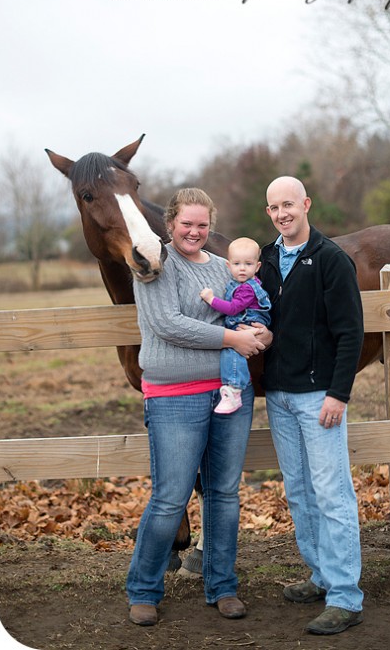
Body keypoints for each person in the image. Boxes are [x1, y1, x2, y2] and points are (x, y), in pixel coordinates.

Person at [126, 188, 271, 626]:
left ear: (211, 226)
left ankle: (222, 585)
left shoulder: (229, 269)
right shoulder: (155, 266)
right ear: (170, 224)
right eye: (186, 223)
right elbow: (167, 325)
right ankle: (144, 589)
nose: (194, 231)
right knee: (170, 498)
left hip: (230, 392)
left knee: (224, 494)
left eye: (202, 224)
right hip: (175, 396)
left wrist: (261, 335)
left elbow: (250, 316)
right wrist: (233, 339)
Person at [259, 175, 364, 636]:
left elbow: (350, 333)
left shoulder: (330, 259)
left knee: (332, 493)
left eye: (289, 204)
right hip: (279, 397)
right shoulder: (265, 259)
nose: (283, 213)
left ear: (306, 204)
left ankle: (346, 596)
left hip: (318, 397)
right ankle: (321, 575)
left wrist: (338, 394)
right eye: (274, 208)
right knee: (299, 491)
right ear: (269, 213)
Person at [200, 236, 271, 414]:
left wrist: (211, 299)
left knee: (232, 351)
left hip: (248, 322)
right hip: (242, 321)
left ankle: (234, 389)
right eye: (237, 264)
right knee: (229, 349)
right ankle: (233, 386)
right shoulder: (238, 283)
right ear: (228, 266)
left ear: (257, 267)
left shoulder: (247, 288)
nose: (242, 268)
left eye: (248, 264)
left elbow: (232, 309)